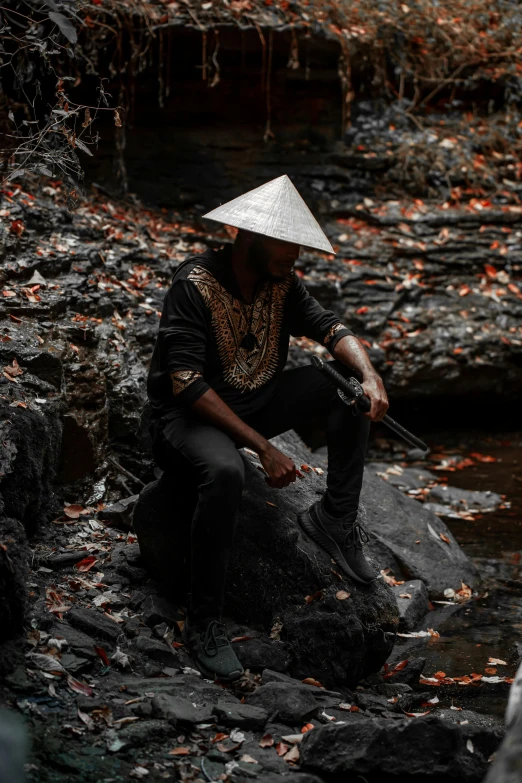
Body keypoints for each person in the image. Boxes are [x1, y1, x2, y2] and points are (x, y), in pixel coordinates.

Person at [146, 175, 389, 682]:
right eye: (285, 242)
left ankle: (335, 520)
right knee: (227, 472)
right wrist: (261, 448)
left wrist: (368, 375)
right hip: (186, 417)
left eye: (297, 243)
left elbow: (331, 328)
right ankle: (204, 622)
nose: (294, 254)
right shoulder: (194, 284)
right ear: (246, 236)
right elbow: (185, 382)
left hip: (254, 404)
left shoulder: (283, 283)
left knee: (347, 387)